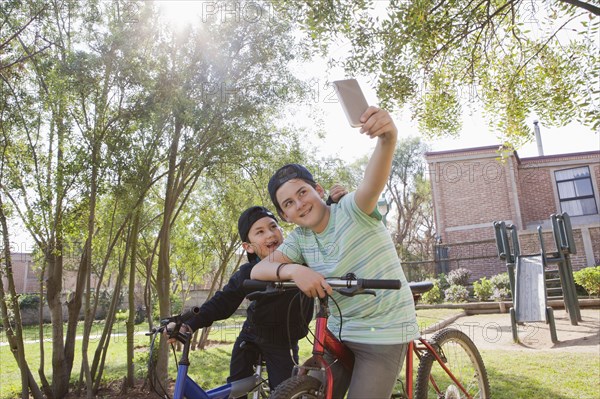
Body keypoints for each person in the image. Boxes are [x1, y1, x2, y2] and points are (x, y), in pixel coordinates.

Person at [250, 106, 419, 398]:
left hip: (384, 330)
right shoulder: (300, 239)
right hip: (340, 334)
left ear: (318, 189)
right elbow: (257, 270)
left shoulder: (353, 209)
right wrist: (293, 269)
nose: (299, 204)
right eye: (288, 203)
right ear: (285, 215)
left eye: (302, 192)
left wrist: (387, 138)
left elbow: (372, 183)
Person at [169, 186, 347, 392]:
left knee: (285, 391)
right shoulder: (249, 272)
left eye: (273, 227)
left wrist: (333, 205)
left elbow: (322, 233)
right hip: (251, 334)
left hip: (284, 342)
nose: (270, 234)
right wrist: (187, 324)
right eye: (260, 232)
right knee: (236, 389)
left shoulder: (303, 259)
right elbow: (222, 302)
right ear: (248, 246)